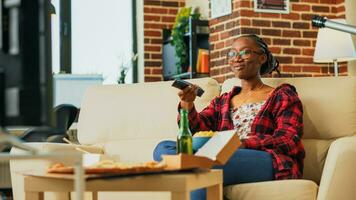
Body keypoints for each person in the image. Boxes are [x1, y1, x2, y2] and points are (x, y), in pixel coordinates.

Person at [153, 34, 305, 199]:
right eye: (232, 54)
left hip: (267, 159)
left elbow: (289, 139)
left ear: (262, 57)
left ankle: (198, 163)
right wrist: (188, 104)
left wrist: (239, 144)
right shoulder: (222, 101)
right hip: (217, 155)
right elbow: (196, 129)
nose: (237, 59)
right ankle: (199, 165)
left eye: (245, 52)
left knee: (200, 165)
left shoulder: (282, 95)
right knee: (163, 148)